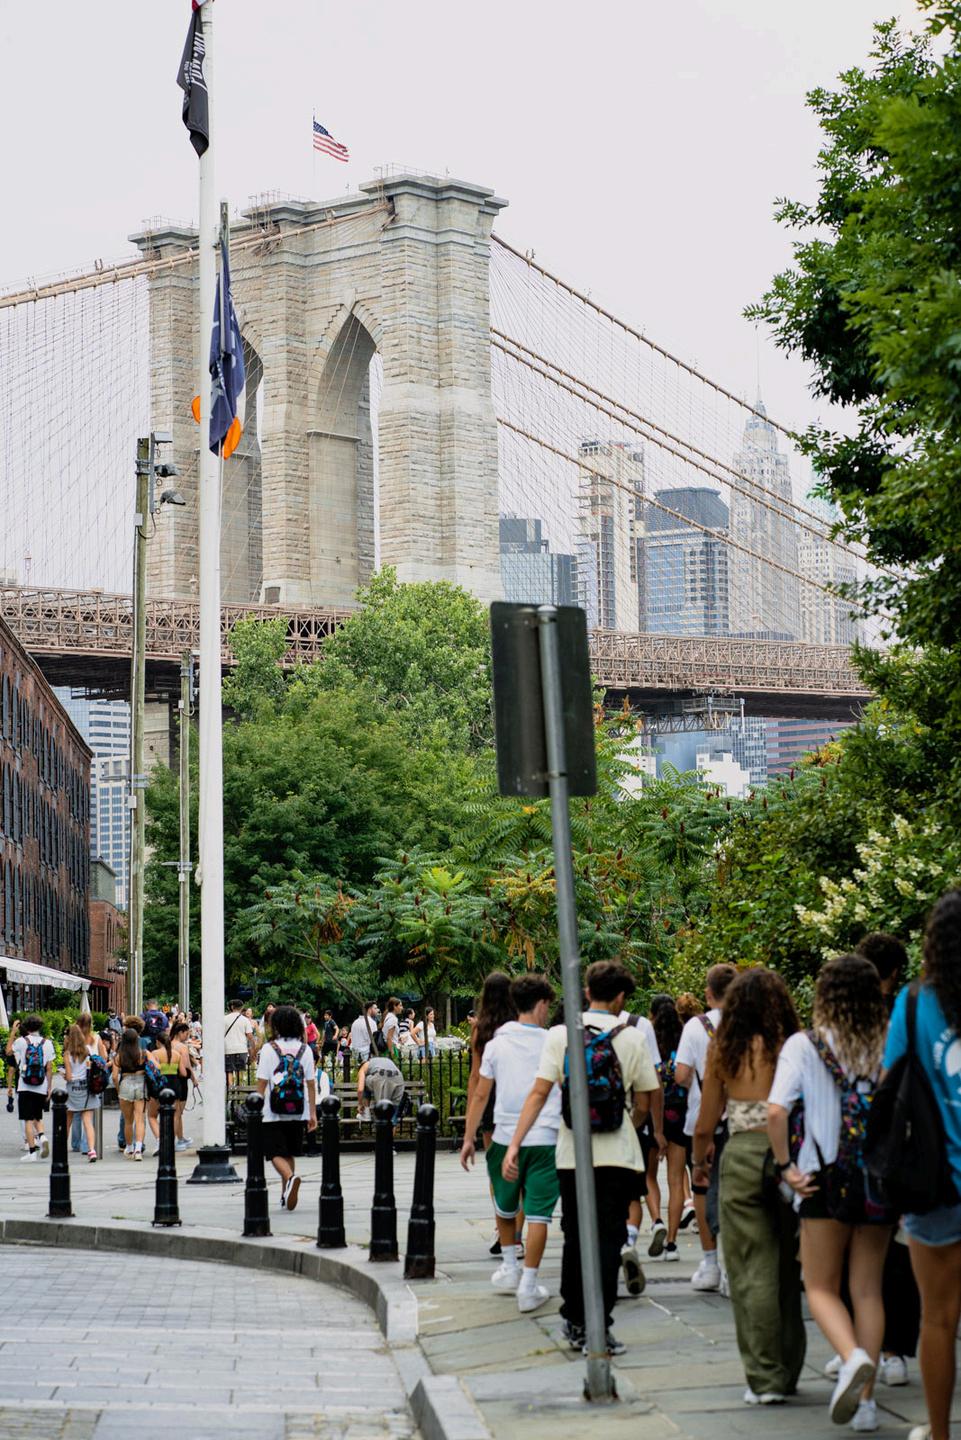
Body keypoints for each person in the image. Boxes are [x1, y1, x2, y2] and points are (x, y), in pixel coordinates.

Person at [503, 959, 660, 1357]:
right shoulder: (634, 1037)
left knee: (575, 1236)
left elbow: (539, 1093)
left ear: (587, 992)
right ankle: (599, 1326)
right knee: (609, 1239)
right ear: (621, 997)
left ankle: (574, 1318)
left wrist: (515, 1143)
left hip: (572, 1153)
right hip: (619, 1155)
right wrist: (629, 1123)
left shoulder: (560, 1035)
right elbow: (646, 1100)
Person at [768, 954, 893, 1432]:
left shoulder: (805, 1045)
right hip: (877, 1180)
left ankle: (851, 1355)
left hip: (822, 1178)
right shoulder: (889, 1041)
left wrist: (786, 1167)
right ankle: (867, 1403)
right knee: (868, 1289)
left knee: (820, 1286)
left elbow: (776, 1110)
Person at [695, 968, 804, 1406]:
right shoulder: (793, 1045)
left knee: (750, 1266)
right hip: (789, 1155)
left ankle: (765, 1375)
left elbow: (705, 1123)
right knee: (788, 1267)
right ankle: (790, 1367)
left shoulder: (724, 1047)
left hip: (741, 1154)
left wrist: (700, 1163)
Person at [882, 891, 961, 1440]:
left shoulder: (911, 1005)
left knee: (937, 1317)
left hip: (935, 1184)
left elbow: (889, 1087)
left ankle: (938, 1432)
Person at [461, 974, 559, 1314]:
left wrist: (468, 1137)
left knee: (504, 1205)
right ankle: (529, 1285)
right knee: (539, 1215)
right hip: (544, 1137)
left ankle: (509, 1266)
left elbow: (480, 1093)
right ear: (541, 1004)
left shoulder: (496, 1043)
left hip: (503, 1134)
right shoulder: (553, 1041)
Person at [675, 962, 738, 1291]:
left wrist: (698, 1087)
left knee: (702, 1186)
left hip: (702, 1117)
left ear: (708, 993)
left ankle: (711, 1262)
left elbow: (681, 1074)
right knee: (735, 1190)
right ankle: (734, 1267)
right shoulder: (749, 1023)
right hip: (742, 1120)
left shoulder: (695, 1026)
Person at [467, 972, 520, 1256]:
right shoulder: (519, 1024)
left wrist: (470, 1115)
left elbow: (476, 1076)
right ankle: (517, 1234)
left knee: (496, 1168)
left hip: (490, 1099)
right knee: (518, 1167)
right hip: (515, 1097)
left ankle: (502, 1226)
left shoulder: (482, 1029)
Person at [256, 1004, 318, 1211]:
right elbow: (311, 1083)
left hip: (272, 1110)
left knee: (273, 1152)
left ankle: (290, 1179)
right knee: (289, 1152)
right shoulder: (305, 1050)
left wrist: (255, 1106)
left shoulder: (269, 1049)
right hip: (298, 1109)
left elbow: (262, 1082)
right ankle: (286, 1192)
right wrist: (312, 1113)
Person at [620, 1005, 665, 1278]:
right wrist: (656, 1128)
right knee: (638, 1187)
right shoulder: (639, 1026)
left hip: (593, 1128)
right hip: (633, 1123)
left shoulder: (579, 1026)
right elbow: (653, 1084)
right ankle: (634, 1237)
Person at [646, 995, 691, 1262]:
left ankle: (657, 1221)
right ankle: (672, 1243)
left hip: (653, 1113)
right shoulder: (684, 1039)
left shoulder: (648, 1040)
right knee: (676, 1180)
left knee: (649, 1176)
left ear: (652, 1015)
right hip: (680, 1113)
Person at [11, 1016, 53, 1161]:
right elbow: (49, 1068)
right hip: (41, 1085)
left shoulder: (21, 1041)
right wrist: (49, 1087)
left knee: (28, 1120)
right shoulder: (47, 1043)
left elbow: (8, 1051)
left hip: (24, 1085)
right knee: (37, 1117)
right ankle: (42, 1137)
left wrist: (13, 1032)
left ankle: (32, 1152)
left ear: (26, 1027)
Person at [64, 1017, 107, 1163]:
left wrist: (64, 1075)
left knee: (68, 1120)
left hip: (73, 1088)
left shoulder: (67, 1054)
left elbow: (69, 1076)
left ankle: (62, 1147)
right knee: (88, 1121)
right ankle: (92, 1150)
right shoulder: (87, 1050)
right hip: (86, 1088)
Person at [113, 1024, 148, 1160]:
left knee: (128, 1121)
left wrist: (118, 1090)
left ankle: (129, 1147)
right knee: (140, 1119)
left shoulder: (119, 1056)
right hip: (140, 1083)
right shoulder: (143, 1054)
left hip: (125, 1084)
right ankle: (138, 1149)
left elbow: (114, 1076)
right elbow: (155, 1066)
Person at [356, 1052, 406, 1123]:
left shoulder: (364, 1066)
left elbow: (360, 1089)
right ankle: (391, 1128)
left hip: (382, 1076)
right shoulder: (381, 1061)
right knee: (393, 1116)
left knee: (364, 1082)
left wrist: (360, 1104)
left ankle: (366, 1114)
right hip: (399, 1079)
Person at [223, 998, 255, 1085]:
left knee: (229, 1070)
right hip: (241, 1049)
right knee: (240, 1070)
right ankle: (239, 1087)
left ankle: (230, 1088)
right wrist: (253, 1048)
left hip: (228, 1049)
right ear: (242, 1008)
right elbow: (250, 1036)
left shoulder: (224, 1019)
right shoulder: (245, 1020)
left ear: (232, 1007)